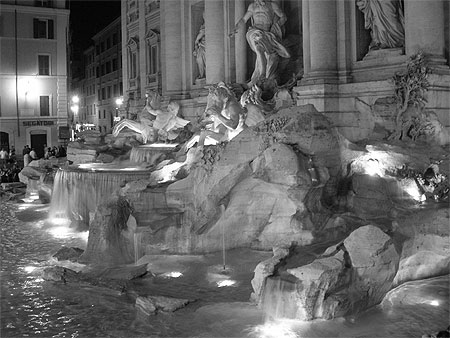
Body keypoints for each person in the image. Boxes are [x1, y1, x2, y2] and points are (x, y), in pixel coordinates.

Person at [231, 0, 290, 86]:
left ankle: (261, 75)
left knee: (267, 53)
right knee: (258, 47)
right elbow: (244, 20)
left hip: (267, 33)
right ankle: (262, 74)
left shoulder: (272, 5)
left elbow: (283, 17)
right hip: (254, 31)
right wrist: (235, 28)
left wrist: (276, 25)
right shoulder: (252, 6)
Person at [193, 13, 206, 80]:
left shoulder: (207, 25)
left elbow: (201, 34)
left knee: (203, 60)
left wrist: (196, 41)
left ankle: (204, 74)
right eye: (204, 15)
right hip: (201, 46)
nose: (204, 17)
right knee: (199, 60)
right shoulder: (203, 25)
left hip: (205, 46)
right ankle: (202, 74)